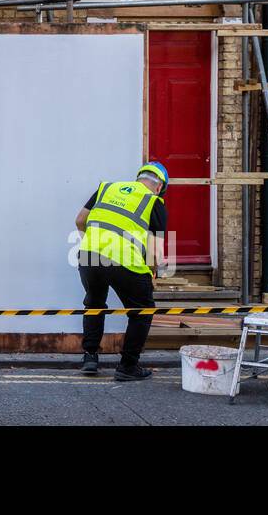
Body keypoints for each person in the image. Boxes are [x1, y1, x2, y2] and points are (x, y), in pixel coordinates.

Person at [73, 162, 170, 381]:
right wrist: (152, 274)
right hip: (124, 260)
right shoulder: (154, 202)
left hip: (89, 255)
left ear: (139, 178)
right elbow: (155, 252)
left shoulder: (106, 188)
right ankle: (128, 366)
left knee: (94, 304)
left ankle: (90, 357)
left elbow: (80, 220)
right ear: (159, 187)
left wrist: (92, 243)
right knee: (142, 311)